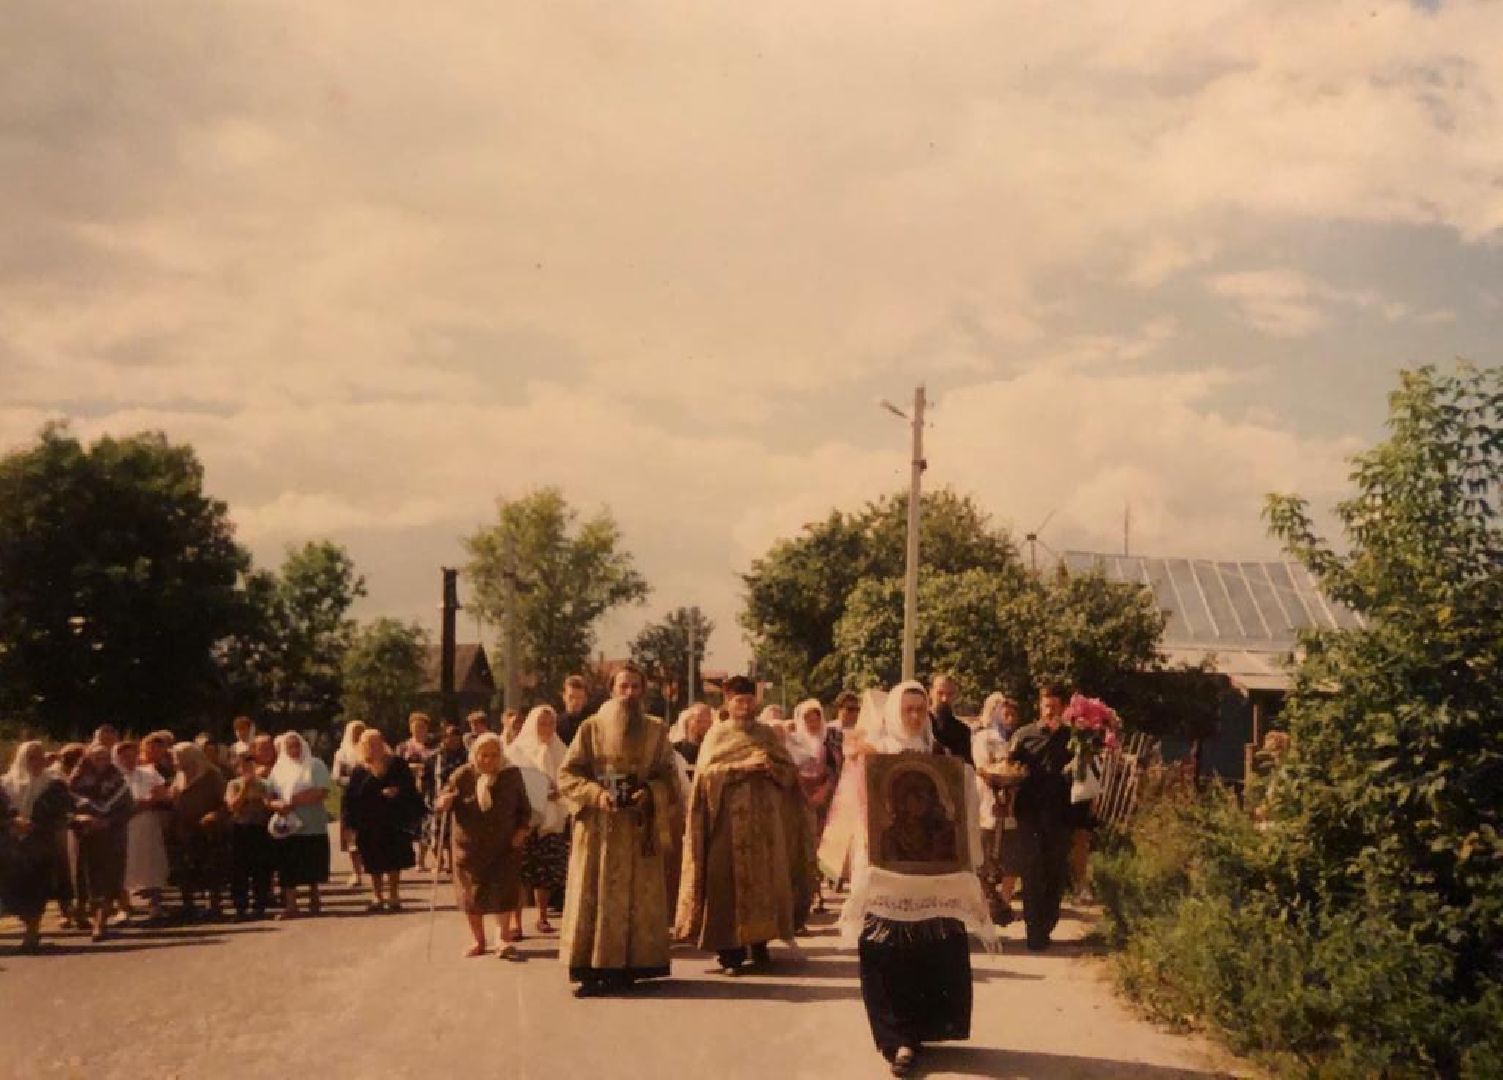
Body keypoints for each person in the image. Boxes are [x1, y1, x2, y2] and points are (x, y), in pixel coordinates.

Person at [839, 682, 993, 1076]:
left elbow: (960, 803)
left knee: (928, 951)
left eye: (920, 709)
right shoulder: (874, 754)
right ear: (893, 711)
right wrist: (861, 766)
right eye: (907, 709)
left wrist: (964, 780)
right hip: (885, 875)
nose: (913, 716)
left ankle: (920, 1030)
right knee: (885, 953)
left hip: (930, 876)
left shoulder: (938, 754)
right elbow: (860, 811)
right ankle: (896, 1040)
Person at [557, 664, 680, 996]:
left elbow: (670, 776)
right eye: (623, 686)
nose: (629, 693)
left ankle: (631, 967)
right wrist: (596, 794)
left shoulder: (656, 730)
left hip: (638, 830)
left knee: (636, 899)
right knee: (594, 895)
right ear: (611, 689)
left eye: (636, 687)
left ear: (643, 691)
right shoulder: (591, 728)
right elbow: (567, 774)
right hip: (599, 830)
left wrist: (650, 793)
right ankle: (590, 969)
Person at [676, 675, 803, 974]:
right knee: (725, 885)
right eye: (739, 701)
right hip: (726, 823)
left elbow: (789, 771)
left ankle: (759, 944)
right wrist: (739, 768)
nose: (745, 706)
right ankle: (730, 953)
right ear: (727, 702)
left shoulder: (766, 734)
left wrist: (771, 768)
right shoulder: (717, 734)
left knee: (764, 884)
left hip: (763, 825)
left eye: (749, 700)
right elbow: (705, 777)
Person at [435, 732, 532, 958]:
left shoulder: (511, 775)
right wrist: (444, 802)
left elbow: (524, 808)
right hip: (469, 848)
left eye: (494, 755)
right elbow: (442, 799)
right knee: (471, 896)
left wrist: (521, 831)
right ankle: (478, 941)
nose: (489, 760)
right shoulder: (462, 775)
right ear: (475, 755)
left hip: (504, 845)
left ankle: (502, 939)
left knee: (503, 892)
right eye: (483, 755)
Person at [1008, 684, 1075, 951]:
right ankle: (1034, 931)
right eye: (1046, 706)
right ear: (1040, 706)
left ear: (1064, 708)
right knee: (1032, 872)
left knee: (1055, 871)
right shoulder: (1024, 735)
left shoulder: (1074, 738)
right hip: (1030, 813)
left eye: (1055, 707)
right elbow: (1009, 766)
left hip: (1062, 814)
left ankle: (1047, 921)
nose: (1050, 712)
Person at [1, 741, 75, 952]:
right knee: (11, 889)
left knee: (36, 888)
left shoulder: (54, 784)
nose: (37, 762)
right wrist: (11, 822)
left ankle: (32, 933)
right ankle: (25, 924)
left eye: (40, 757)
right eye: (31, 757)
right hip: (9, 846)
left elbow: (63, 811)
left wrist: (36, 825)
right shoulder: (4, 784)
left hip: (40, 845)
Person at [344, 729, 424, 913]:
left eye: (377, 742)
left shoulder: (397, 764)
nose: (374, 747)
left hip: (393, 820)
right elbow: (351, 798)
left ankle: (394, 895)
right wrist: (350, 823)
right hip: (369, 822)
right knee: (373, 860)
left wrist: (397, 791)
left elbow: (410, 788)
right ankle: (377, 896)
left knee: (395, 858)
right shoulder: (359, 769)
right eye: (369, 744)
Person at [509, 705, 572, 935]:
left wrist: (559, 793)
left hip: (552, 818)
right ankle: (515, 922)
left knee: (545, 872)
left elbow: (570, 780)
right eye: (541, 723)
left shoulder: (562, 750)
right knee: (519, 872)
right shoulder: (517, 751)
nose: (546, 728)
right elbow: (511, 781)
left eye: (550, 723)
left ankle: (542, 916)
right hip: (524, 820)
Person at [66, 743, 134, 941]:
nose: (101, 762)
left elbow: (128, 808)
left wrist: (109, 821)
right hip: (84, 837)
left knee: (109, 878)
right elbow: (64, 808)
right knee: (86, 879)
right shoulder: (75, 782)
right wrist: (78, 819)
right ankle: (82, 913)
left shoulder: (117, 781)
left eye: (105, 758)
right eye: (97, 758)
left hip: (112, 836)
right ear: (88, 759)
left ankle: (101, 923)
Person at [265, 731, 331, 919]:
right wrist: (277, 805)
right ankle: (291, 905)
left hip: (312, 824)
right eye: (290, 746)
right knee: (287, 865)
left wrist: (294, 801)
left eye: (297, 745)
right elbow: (269, 795)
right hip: (287, 826)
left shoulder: (315, 764)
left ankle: (314, 899)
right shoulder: (278, 768)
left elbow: (322, 791)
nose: (294, 749)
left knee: (312, 863)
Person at [972, 693, 1024, 923]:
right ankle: (986, 905)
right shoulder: (984, 738)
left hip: (1012, 809)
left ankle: (1004, 903)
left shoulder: (1019, 739)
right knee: (985, 858)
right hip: (988, 805)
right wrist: (998, 778)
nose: (1009, 719)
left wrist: (1015, 778)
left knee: (1011, 860)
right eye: (1005, 714)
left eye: (1013, 715)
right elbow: (982, 767)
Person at [170, 743, 228, 921]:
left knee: (210, 866)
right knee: (186, 867)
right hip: (184, 828)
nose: (175, 761)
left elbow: (226, 802)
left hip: (208, 828)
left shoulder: (212, 775)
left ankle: (214, 905)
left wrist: (215, 814)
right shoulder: (179, 777)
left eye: (179, 757)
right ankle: (188, 905)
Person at [115, 740, 171, 923]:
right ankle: (124, 907)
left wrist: (149, 802)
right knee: (124, 865)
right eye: (124, 756)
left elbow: (163, 795)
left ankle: (155, 905)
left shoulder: (149, 772)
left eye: (132, 755)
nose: (129, 759)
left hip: (147, 824)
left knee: (152, 863)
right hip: (124, 826)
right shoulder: (114, 778)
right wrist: (134, 806)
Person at [224, 750, 274, 920]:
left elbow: (268, 804)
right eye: (243, 765)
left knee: (261, 869)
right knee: (239, 870)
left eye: (250, 764)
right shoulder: (233, 785)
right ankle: (240, 906)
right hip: (240, 829)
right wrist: (245, 787)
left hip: (260, 829)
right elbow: (233, 806)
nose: (247, 768)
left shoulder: (265, 784)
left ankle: (260, 905)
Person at [423, 724, 469, 873]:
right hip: (438, 799)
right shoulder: (434, 758)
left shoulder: (467, 756)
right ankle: (439, 861)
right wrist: (428, 797)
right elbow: (426, 779)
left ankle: (452, 864)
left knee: (454, 835)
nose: (453, 741)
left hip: (461, 801)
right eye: (450, 738)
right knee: (435, 835)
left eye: (456, 738)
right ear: (444, 738)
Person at [332, 719, 368, 887]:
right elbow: (336, 777)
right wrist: (354, 781)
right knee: (352, 837)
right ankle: (356, 872)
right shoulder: (341, 754)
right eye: (355, 732)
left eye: (361, 731)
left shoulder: (370, 751)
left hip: (370, 799)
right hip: (351, 799)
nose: (358, 735)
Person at [929, 675, 974, 764]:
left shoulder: (962, 731)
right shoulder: (921, 723)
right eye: (940, 693)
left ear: (955, 696)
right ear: (931, 693)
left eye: (949, 694)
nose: (944, 699)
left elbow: (966, 766)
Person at [671, 703, 714, 769]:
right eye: (698, 721)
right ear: (688, 723)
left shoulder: (714, 751)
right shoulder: (674, 750)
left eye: (707, 722)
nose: (703, 726)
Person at [556, 674, 591, 746]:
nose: (575, 702)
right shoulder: (556, 724)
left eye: (579, 697)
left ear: (585, 699)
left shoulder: (591, 724)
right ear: (564, 697)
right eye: (571, 697)